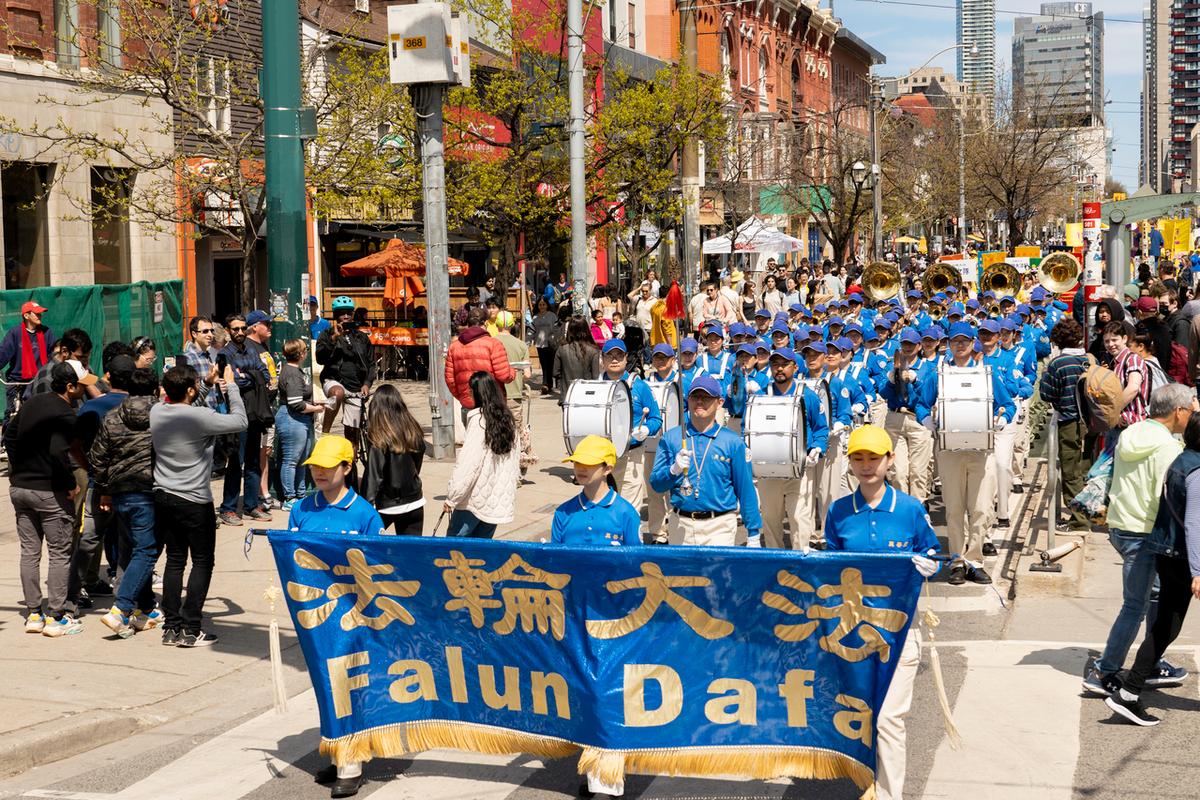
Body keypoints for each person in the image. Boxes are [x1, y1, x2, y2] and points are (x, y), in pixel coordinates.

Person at [823, 425, 939, 800]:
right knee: (860, 716)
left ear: (890, 459)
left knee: (889, 718)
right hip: (852, 634)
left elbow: (932, 552)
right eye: (858, 457)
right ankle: (866, 782)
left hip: (900, 632)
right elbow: (831, 567)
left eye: (874, 457)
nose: (866, 465)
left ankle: (890, 795)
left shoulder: (909, 509)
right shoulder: (839, 512)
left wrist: (930, 564)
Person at [1083, 383, 1196, 696]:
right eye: (1192, 408)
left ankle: (1150, 662)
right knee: (1135, 605)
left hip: (1121, 525)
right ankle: (1104, 671)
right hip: (1145, 533)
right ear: (1179, 411)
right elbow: (1171, 496)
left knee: (1154, 596)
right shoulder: (1168, 449)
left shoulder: (1132, 432)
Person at [289, 434, 383, 798]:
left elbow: (377, 567)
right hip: (314, 617)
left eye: (328, 467)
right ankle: (336, 747)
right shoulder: (301, 509)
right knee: (326, 686)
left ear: (346, 468)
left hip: (353, 617)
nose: (319, 473)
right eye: (315, 466)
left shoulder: (363, 514)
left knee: (349, 686)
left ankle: (351, 763)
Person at [1106, 412, 1200, 726]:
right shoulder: (1196, 469)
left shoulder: (1180, 459)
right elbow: (1194, 524)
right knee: (1161, 625)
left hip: (1168, 554)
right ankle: (1128, 691)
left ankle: (1129, 693)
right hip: (1186, 560)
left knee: (1164, 628)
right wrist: (1198, 570)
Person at [151, 362, 247, 647]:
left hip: (164, 496)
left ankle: (172, 626)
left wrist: (203, 385)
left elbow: (186, 405)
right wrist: (231, 387)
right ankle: (192, 626)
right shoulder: (201, 417)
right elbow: (240, 421)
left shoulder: (157, 412)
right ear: (190, 391)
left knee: (175, 559)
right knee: (203, 561)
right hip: (194, 500)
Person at [8, 360, 92, 636]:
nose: (85, 390)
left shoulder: (32, 402)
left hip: (21, 489)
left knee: (29, 552)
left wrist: (17, 469)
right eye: (82, 385)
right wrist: (69, 483)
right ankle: (56, 616)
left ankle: (34, 614)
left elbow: (9, 435)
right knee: (59, 554)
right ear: (69, 387)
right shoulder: (67, 415)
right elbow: (59, 451)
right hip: (49, 492)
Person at [934, 323, 1015, 586]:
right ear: (949, 343)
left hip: (981, 449)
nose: (960, 345)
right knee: (955, 509)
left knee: (980, 508)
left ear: (973, 343)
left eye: (965, 341)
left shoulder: (987, 373)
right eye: (955, 341)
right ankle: (957, 560)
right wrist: (926, 418)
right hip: (950, 450)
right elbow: (922, 401)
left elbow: (1008, 404)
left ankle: (975, 560)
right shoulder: (940, 374)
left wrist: (1002, 419)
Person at [649, 375, 762, 546]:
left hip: (720, 526)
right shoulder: (671, 437)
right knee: (682, 574)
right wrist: (673, 471)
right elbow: (656, 484)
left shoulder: (733, 442)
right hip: (681, 523)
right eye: (695, 397)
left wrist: (753, 532)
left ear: (720, 402)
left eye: (707, 397)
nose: (700, 402)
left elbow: (745, 489)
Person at [92, 368, 163, 639]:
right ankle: (121, 608)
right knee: (146, 551)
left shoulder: (112, 417)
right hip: (149, 490)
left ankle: (145, 607)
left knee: (133, 549)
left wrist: (105, 490)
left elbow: (98, 459)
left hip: (121, 491)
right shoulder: (162, 415)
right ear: (155, 388)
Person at [753, 347, 829, 551]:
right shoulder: (760, 396)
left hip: (799, 468)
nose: (779, 369)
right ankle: (774, 563)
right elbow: (747, 428)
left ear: (795, 367)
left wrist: (817, 449)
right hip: (769, 470)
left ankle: (801, 565)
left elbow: (821, 428)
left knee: (799, 519)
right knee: (770, 519)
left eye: (784, 364)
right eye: (775, 364)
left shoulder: (808, 395)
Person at [444, 372, 520, 538]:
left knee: (453, 550)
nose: (469, 394)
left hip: (474, 500)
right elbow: (513, 463)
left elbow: (469, 464)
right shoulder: (508, 420)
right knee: (481, 553)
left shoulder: (480, 421)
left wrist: (453, 496)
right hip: (496, 500)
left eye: (471, 390)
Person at [218, 313, 274, 525]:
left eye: (243, 328)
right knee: (235, 462)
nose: (240, 332)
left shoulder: (253, 349)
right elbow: (233, 381)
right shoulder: (224, 354)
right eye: (235, 329)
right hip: (237, 414)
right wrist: (252, 376)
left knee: (253, 461)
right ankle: (228, 508)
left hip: (256, 413)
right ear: (228, 330)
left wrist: (247, 375)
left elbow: (265, 375)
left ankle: (251, 505)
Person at [1038, 319, 1093, 532]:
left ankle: (1079, 520)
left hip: (1069, 422)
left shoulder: (1058, 363)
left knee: (1070, 472)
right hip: (1091, 421)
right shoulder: (1089, 359)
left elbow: (1047, 394)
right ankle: (1090, 512)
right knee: (1084, 469)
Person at [598, 339, 661, 513]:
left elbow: (656, 418)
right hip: (600, 457)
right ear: (602, 359)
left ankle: (633, 540)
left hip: (631, 454)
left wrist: (646, 429)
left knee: (630, 510)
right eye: (609, 355)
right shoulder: (594, 387)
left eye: (619, 355)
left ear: (626, 358)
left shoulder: (640, 386)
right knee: (603, 508)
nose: (614, 359)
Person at [552, 435, 640, 547]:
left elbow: (637, 561)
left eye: (589, 463)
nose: (581, 468)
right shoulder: (562, 513)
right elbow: (553, 560)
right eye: (577, 462)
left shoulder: (627, 513)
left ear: (608, 469)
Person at [361, 385, 427, 535]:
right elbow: (418, 461)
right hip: (415, 501)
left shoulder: (378, 437)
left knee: (370, 550)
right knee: (408, 553)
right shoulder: (413, 430)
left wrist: (366, 504)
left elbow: (374, 475)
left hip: (387, 503)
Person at [316, 298, 374, 454]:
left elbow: (371, 364)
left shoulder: (361, 337)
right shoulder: (326, 334)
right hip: (333, 379)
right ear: (336, 316)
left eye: (349, 313)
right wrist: (333, 339)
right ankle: (325, 433)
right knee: (338, 393)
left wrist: (367, 383)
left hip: (356, 385)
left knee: (352, 438)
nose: (346, 316)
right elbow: (320, 358)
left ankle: (351, 464)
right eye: (342, 314)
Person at [276, 338, 324, 511]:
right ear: (301, 354)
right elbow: (296, 403)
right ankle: (290, 498)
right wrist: (316, 409)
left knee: (301, 460)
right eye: (305, 350)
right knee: (291, 460)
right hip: (292, 419)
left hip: (298, 420)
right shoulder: (292, 373)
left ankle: (300, 494)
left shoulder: (293, 371)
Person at [444, 306, 515, 417]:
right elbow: (504, 375)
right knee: (494, 434)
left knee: (471, 433)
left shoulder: (454, 347)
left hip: (468, 403)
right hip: (492, 402)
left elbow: (450, 380)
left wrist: (462, 396)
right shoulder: (494, 344)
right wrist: (512, 372)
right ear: (486, 323)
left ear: (468, 324)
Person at [493, 311, 536, 476]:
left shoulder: (491, 343)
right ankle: (516, 471)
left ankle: (499, 469)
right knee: (515, 433)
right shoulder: (521, 345)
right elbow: (528, 374)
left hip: (495, 396)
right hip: (515, 395)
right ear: (512, 325)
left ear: (496, 325)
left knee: (495, 431)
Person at [0, 299, 55, 420]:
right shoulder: (14, 333)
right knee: (11, 414)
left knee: (39, 414)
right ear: (26, 315)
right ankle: (7, 436)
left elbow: (53, 354)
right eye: (36, 313)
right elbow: (3, 353)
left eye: (40, 313)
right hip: (16, 380)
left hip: (39, 380)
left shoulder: (47, 333)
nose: (40, 316)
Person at [1103, 321, 1151, 432]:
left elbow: (1133, 388)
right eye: (1107, 341)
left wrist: (1113, 411)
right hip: (1120, 423)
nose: (1110, 344)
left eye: (1114, 340)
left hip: (1131, 425)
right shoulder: (1115, 362)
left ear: (1124, 339)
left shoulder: (1132, 359)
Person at [552, 318, 600, 399]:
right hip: (586, 396)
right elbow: (595, 376)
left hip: (567, 395)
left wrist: (563, 385)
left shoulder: (562, 349)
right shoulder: (593, 350)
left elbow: (555, 372)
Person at [183, 315, 222, 409]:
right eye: (205, 331)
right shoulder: (188, 358)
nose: (210, 335)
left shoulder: (208, 356)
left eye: (211, 331)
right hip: (198, 414)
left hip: (212, 412)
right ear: (194, 334)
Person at [531, 297, 561, 395]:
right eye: (540, 305)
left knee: (550, 364)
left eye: (544, 304)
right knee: (543, 364)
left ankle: (549, 383)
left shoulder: (552, 316)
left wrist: (555, 338)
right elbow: (532, 330)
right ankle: (545, 384)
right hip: (540, 344)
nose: (542, 306)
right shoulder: (535, 317)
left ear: (547, 305)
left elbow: (557, 328)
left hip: (551, 343)